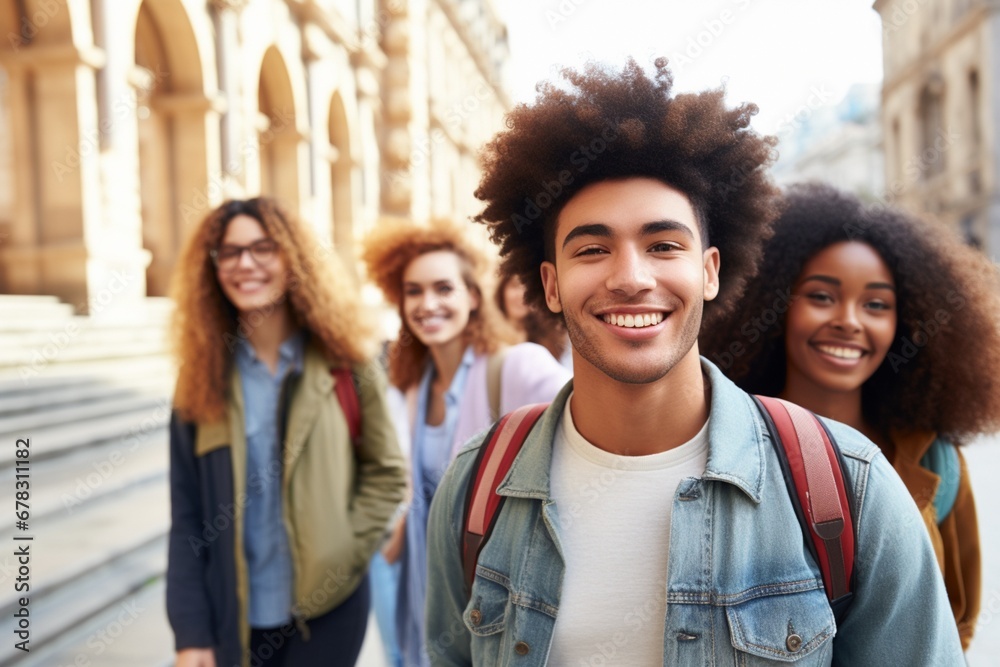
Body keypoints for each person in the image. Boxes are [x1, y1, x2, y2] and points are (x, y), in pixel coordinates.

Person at [424, 59, 965, 665]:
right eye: (593, 248)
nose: (631, 277)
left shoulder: (850, 488)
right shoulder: (477, 486)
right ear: (550, 285)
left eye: (663, 245)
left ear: (708, 271)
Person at [701, 182, 1000, 649]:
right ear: (773, 306)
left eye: (876, 304)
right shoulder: (721, 445)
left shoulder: (934, 457)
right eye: (821, 296)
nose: (850, 320)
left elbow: (956, 622)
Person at [166, 197, 407, 667]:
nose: (246, 264)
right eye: (229, 252)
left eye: (263, 248)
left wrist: (343, 554)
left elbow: (386, 472)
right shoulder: (199, 378)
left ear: (292, 258)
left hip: (329, 613)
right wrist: (190, 631)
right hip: (232, 617)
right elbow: (187, 513)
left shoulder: (348, 362)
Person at [361, 218, 571, 667]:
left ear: (473, 296)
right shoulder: (418, 385)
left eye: (443, 288)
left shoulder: (515, 367)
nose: (427, 303)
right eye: (413, 291)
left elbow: (594, 428)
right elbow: (432, 484)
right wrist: (397, 537)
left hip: (495, 591)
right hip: (424, 581)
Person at [495, 273, 572, 367]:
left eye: (527, 288)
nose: (521, 295)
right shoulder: (488, 338)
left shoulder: (551, 338)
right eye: (515, 286)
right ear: (502, 290)